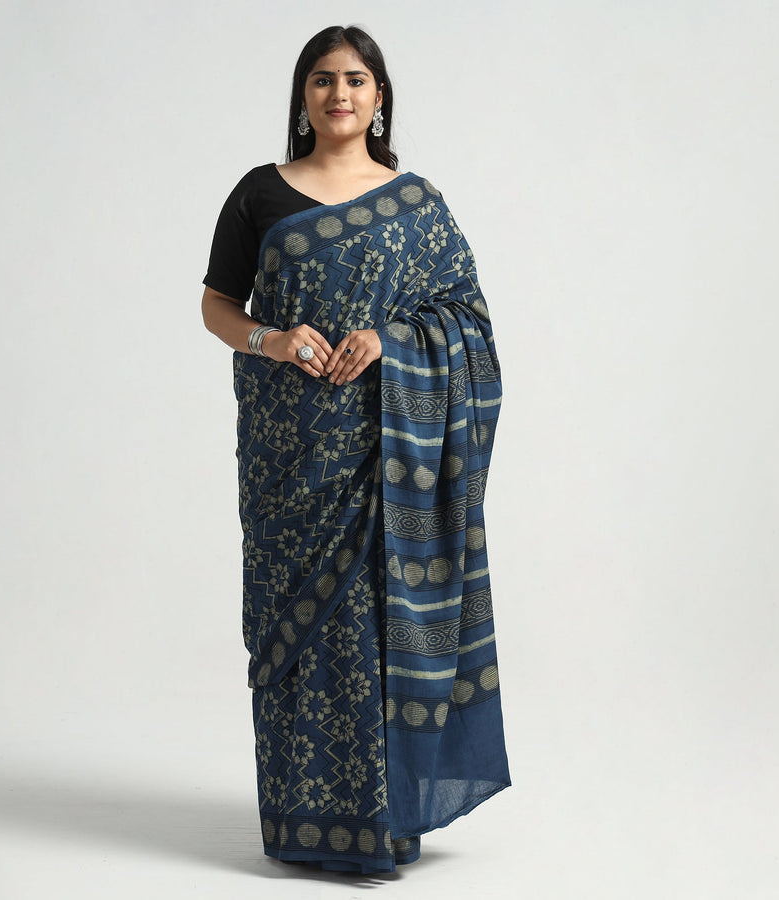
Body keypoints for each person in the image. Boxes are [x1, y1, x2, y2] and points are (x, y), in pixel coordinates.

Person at [201, 24, 511, 874]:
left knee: (375, 624)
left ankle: (383, 823)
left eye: (356, 80)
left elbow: (468, 320)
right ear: (303, 97)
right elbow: (217, 304)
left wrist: (389, 339)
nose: (339, 94)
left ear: (379, 99)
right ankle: (300, 824)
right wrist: (271, 340)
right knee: (299, 636)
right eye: (322, 79)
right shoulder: (259, 194)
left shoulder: (417, 204)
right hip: (290, 455)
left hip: (388, 451)